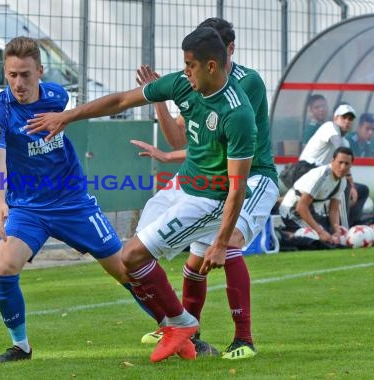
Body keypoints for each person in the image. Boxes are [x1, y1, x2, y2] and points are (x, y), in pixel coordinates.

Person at [26, 26, 257, 363]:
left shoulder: (238, 114)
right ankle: (181, 331)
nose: (185, 71)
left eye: (190, 65)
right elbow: (121, 99)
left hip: (210, 199)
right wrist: (68, 116)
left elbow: (237, 186)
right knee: (128, 260)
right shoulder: (182, 83)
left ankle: (182, 324)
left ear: (211, 66)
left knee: (133, 255)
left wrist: (221, 242)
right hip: (182, 187)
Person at [0, 36, 156, 364]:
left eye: (26, 75)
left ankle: (175, 325)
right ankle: (21, 346)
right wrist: (1, 201)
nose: (18, 83)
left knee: (125, 271)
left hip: (72, 201)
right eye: (12, 75)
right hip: (28, 208)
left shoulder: (56, 96)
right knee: (4, 265)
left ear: (40, 71)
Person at [131, 17, 278, 360]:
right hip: (213, 180)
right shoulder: (198, 82)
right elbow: (179, 137)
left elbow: (232, 149)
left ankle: (244, 339)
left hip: (252, 176)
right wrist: (158, 101)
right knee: (195, 265)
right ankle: (184, 332)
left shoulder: (247, 83)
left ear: (228, 50)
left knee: (228, 244)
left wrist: (175, 156)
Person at [298, 103, 369, 226]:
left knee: (362, 189)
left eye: (350, 119)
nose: (347, 121)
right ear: (335, 118)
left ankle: (353, 225)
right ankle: (342, 229)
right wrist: (349, 182)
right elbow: (341, 152)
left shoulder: (345, 142)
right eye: (343, 118)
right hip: (306, 170)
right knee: (343, 186)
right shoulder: (329, 126)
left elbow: (342, 165)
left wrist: (353, 186)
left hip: (323, 176)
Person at [279, 147, 353, 243]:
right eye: (340, 162)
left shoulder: (342, 181)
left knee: (331, 237)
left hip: (311, 213)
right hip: (292, 212)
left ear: (351, 165)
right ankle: (284, 236)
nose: (343, 167)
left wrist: (336, 229)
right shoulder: (322, 175)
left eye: (346, 164)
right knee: (318, 238)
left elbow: (333, 209)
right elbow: (301, 207)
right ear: (333, 161)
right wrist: (320, 232)